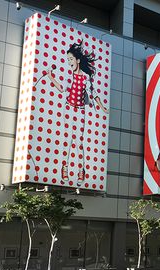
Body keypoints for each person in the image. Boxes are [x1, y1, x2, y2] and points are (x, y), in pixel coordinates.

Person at [48, 40, 108, 186]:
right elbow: (62, 88)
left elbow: (93, 93)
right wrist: (50, 76)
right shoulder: (69, 76)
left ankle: (81, 170)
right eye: (68, 59)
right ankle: (65, 168)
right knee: (67, 140)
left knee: (79, 142)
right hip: (68, 109)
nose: (69, 62)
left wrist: (102, 107)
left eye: (71, 59)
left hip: (80, 111)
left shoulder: (86, 78)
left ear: (78, 60)